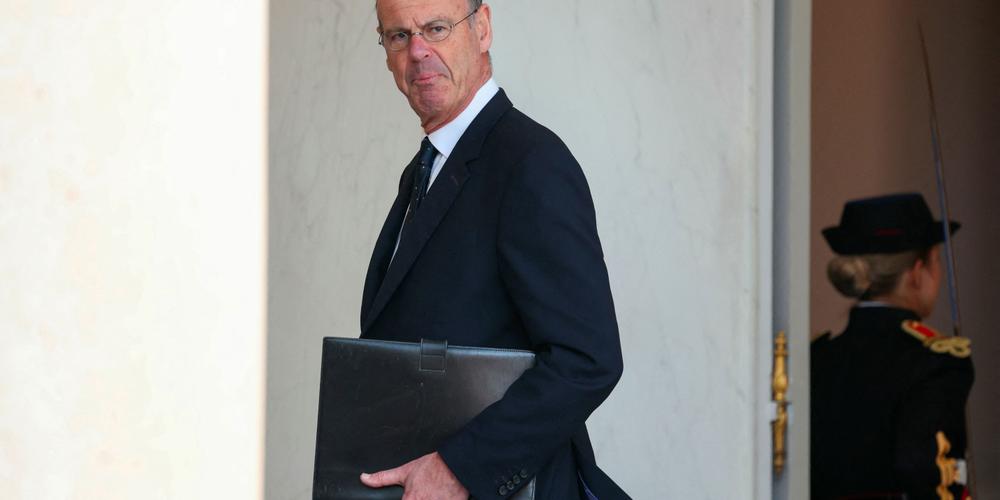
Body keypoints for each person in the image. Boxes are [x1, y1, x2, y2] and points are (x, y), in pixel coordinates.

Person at [355, 0, 627, 498]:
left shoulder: (531, 163)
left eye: (436, 28)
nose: (418, 52)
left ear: (482, 29)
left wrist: (460, 468)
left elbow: (588, 359)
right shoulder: (423, 171)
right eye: (398, 37)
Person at [811, 193, 974, 500]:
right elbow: (926, 473)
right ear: (916, 272)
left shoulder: (816, 358)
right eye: (936, 260)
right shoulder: (935, 361)